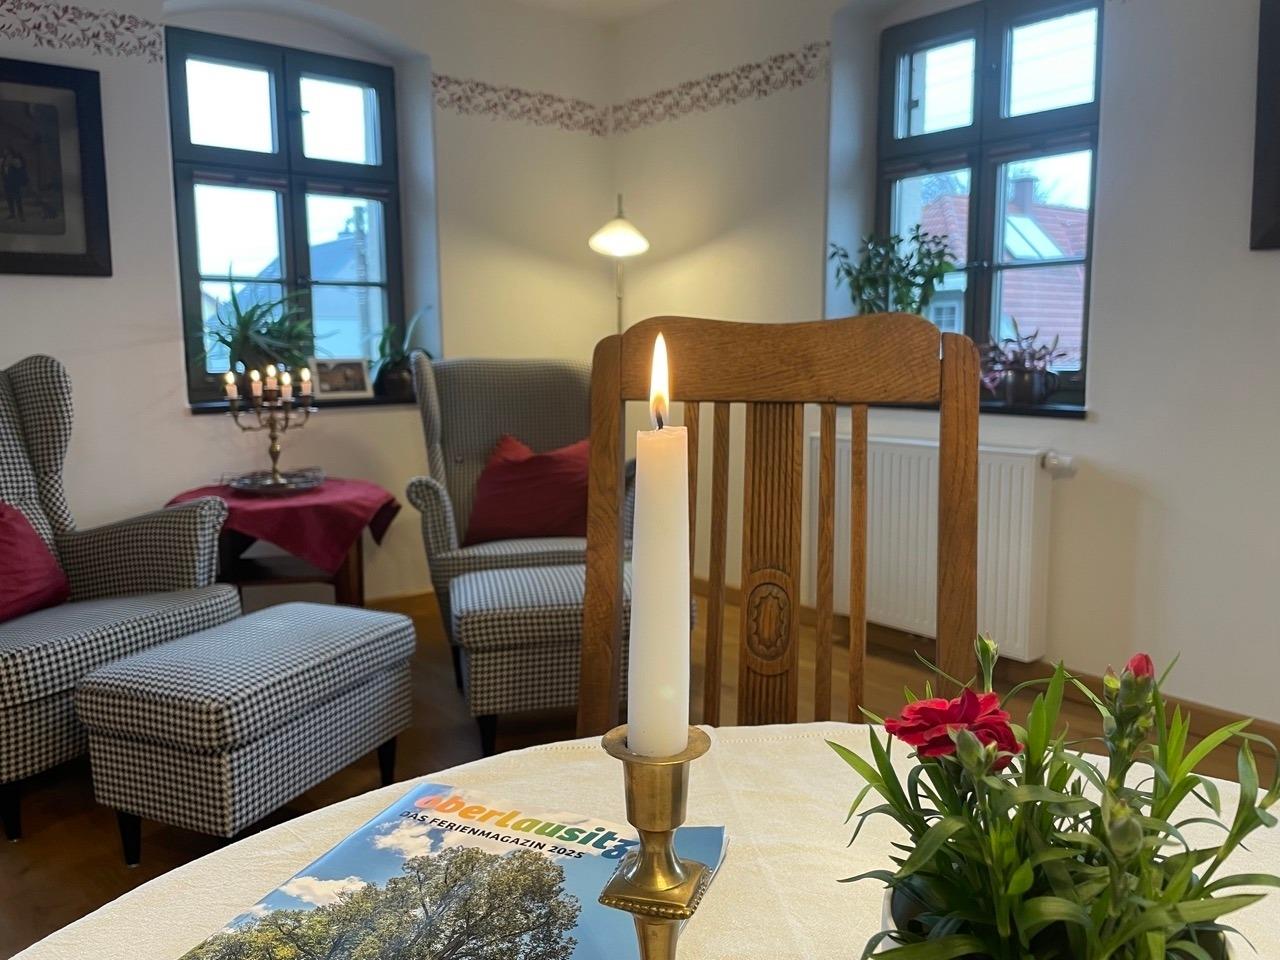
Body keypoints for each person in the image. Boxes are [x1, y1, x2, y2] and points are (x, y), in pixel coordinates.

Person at [2, 148, 29, 222]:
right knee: (9, 199)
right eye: (4, 152)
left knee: (18, 199)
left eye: (6, 151)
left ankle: (21, 215)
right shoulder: (3, 161)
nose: (5, 153)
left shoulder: (16, 160)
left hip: (15, 183)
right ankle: (12, 214)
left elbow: (20, 169)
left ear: (11, 153)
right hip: (7, 182)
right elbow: (3, 171)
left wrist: (12, 163)